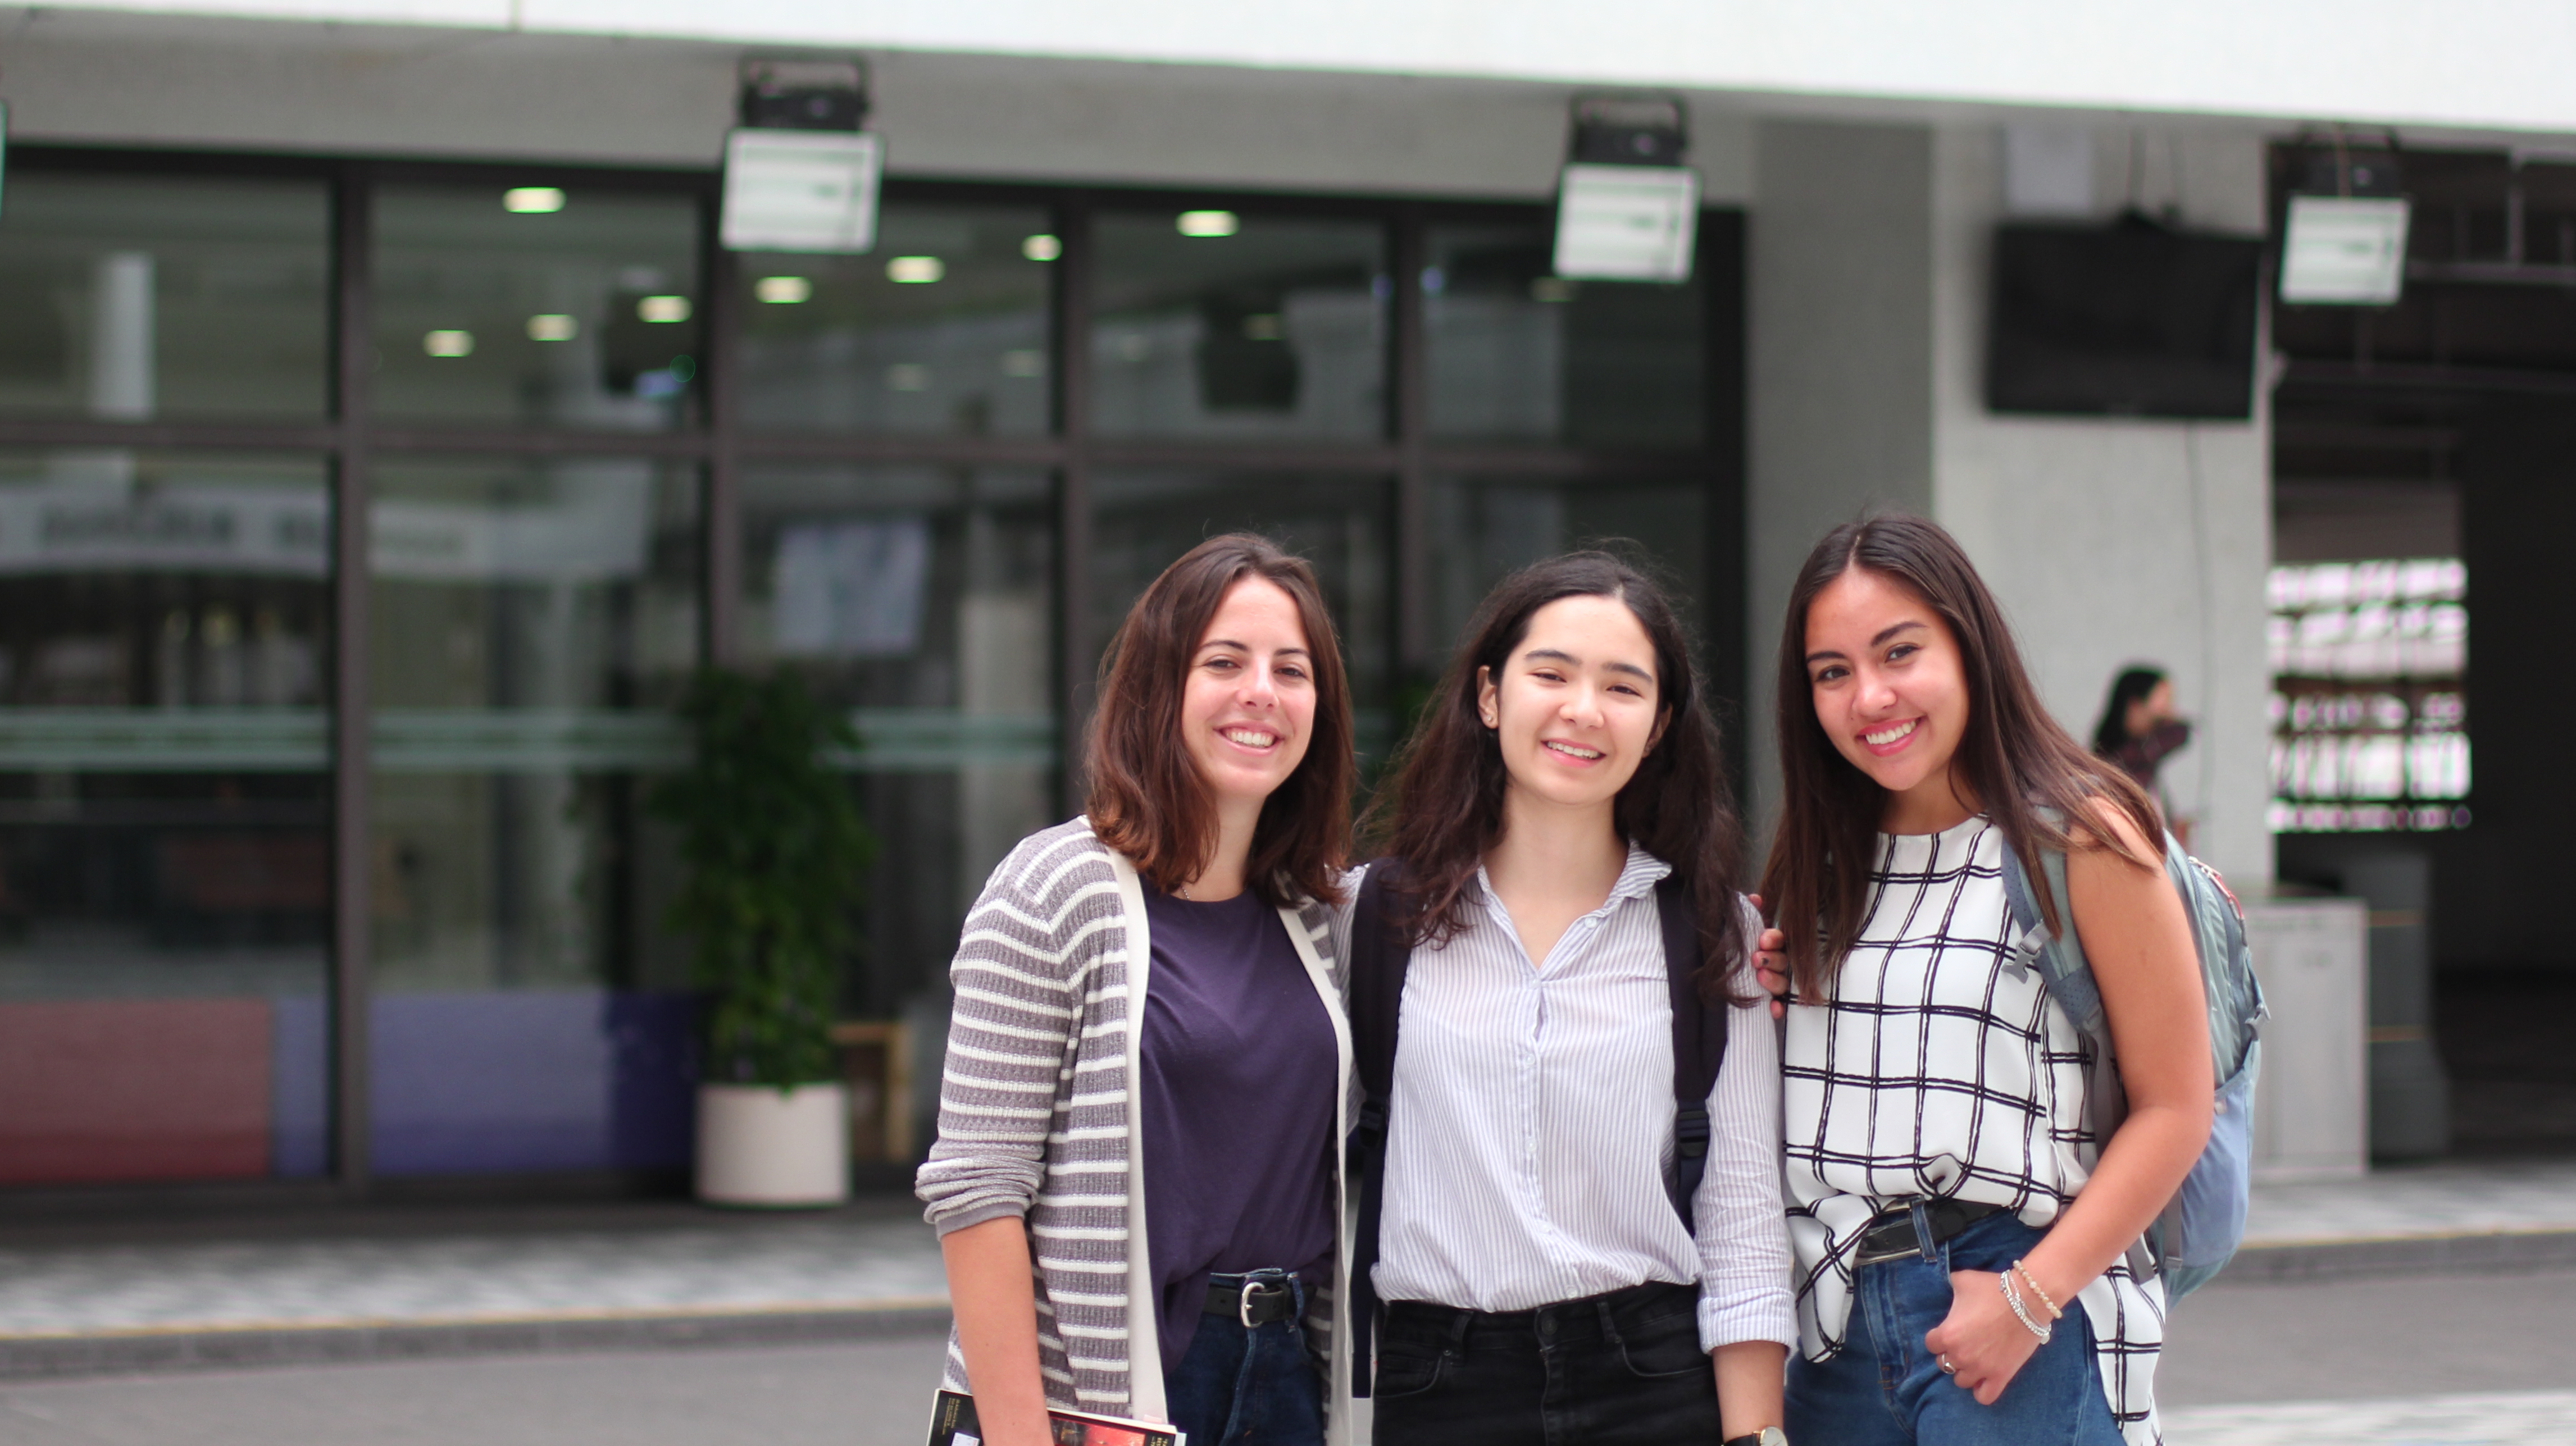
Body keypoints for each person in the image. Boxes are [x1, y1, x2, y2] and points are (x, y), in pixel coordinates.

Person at [1762, 512, 2211, 1446]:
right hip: (1833, 1325)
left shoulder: (2074, 836)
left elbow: (2175, 1105)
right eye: (1831, 672)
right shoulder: (1817, 860)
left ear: (1966, 647)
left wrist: (2029, 1296)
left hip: (2009, 1296)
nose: (1868, 696)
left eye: (1897, 653)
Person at [916, 533, 1358, 1446]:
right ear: (1158, 688)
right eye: (1223, 662)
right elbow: (977, 1196)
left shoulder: (1319, 912)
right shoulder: (1051, 890)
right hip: (1109, 1395)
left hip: (1284, 1377)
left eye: (1291, 669)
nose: (1260, 693)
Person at [1345, 548, 1794, 1446]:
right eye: (1550, 673)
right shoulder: (1368, 915)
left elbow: (1742, 1219)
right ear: (1488, 696)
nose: (1583, 710)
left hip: (1655, 1379)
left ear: (1660, 723)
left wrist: (1757, 1438)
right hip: (1435, 1385)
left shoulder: (1715, 936)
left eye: (1624, 688)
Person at [2092, 666, 2194, 844]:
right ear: (2135, 705)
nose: (2168, 711)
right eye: (2164, 700)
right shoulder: (2125, 758)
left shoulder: (2143, 756)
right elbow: (2178, 733)